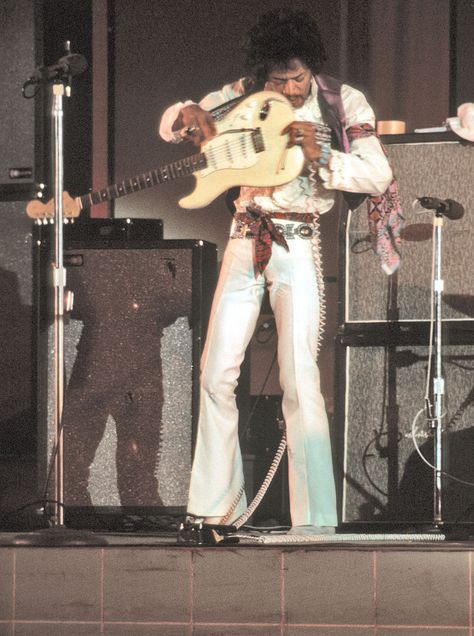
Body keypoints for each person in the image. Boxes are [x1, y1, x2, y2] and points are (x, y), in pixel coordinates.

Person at [159, 7, 394, 534]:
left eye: (297, 76)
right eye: (278, 77)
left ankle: (313, 521)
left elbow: (377, 175)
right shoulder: (246, 93)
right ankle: (213, 509)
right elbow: (178, 124)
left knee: (298, 378)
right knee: (215, 373)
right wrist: (186, 112)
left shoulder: (340, 101)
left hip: (298, 239)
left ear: (312, 67)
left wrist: (321, 159)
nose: (288, 87)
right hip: (245, 236)